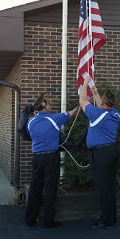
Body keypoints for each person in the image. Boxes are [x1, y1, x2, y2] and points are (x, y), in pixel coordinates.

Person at [25, 92, 79, 229]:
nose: (51, 104)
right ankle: (48, 221)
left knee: (35, 188)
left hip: (37, 158)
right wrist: (82, 104)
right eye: (49, 103)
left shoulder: (30, 122)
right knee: (50, 189)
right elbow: (72, 113)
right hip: (50, 158)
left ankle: (30, 219)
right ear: (44, 106)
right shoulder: (54, 119)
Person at [79, 75, 120, 229]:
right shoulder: (114, 113)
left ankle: (105, 220)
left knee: (103, 188)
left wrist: (84, 83)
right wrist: (93, 88)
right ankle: (111, 218)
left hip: (101, 155)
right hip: (112, 151)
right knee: (109, 186)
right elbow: (99, 102)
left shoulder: (96, 115)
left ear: (103, 103)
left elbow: (83, 100)